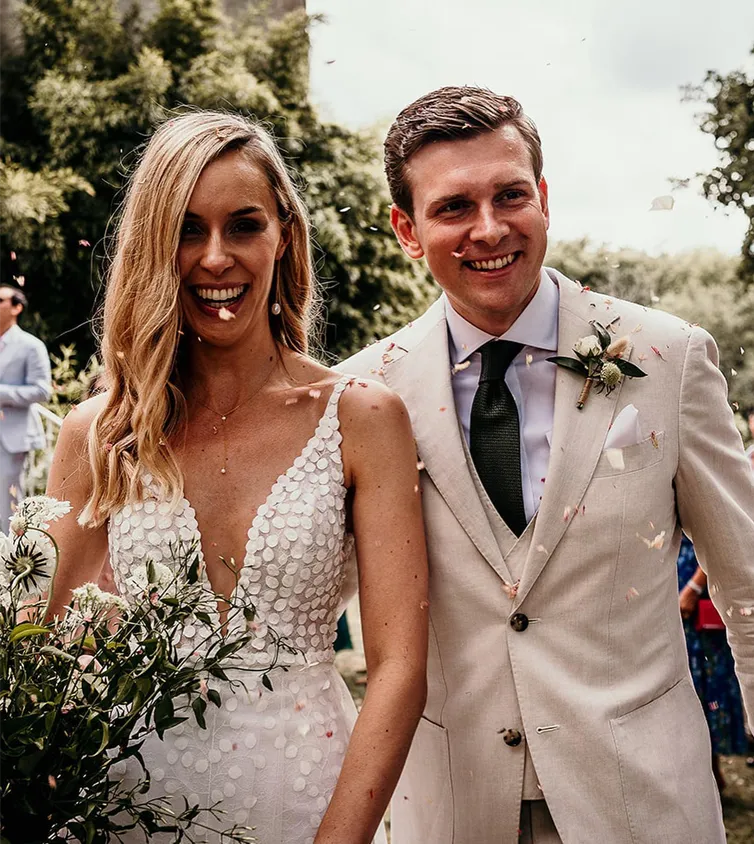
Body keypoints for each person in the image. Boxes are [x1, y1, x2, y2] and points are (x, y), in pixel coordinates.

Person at [339, 87, 754, 844]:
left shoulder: (670, 358)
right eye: (454, 207)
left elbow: (750, 590)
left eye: (510, 195)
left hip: (642, 805)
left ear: (546, 199)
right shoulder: (363, 394)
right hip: (451, 809)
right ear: (406, 229)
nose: (490, 228)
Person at [46, 111, 428, 844]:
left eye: (243, 225)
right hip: (127, 810)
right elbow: (38, 645)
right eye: (187, 230)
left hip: (309, 799)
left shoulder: (362, 419)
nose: (215, 257)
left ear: (282, 232)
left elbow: (398, 670)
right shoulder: (99, 434)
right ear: (155, 247)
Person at [677, 535, 748, 791]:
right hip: (673, 581)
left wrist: (694, 588)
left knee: (706, 682)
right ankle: (704, 771)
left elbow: (719, 541)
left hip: (697, 591)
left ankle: (711, 771)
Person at [0, 284, 51, 531]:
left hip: (11, 436)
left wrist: (2, 393)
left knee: (7, 502)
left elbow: (43, 390)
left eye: (0, 300)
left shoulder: (31, 345)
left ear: (17, 307)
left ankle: (8, 561)